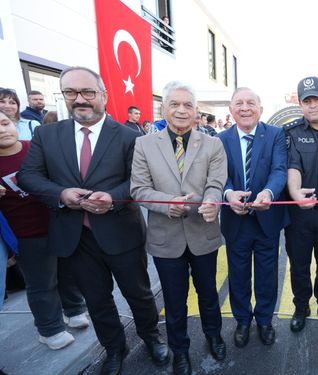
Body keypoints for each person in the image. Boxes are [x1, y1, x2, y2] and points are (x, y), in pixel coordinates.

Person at [17, 66, 168, 375]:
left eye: (88, 92)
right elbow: (27, 176)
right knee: (97, 300)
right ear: (64, 97)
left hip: (121, 232)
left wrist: (112, 197)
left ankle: (152, 338)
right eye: (71, 92)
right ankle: (114, 348)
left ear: (103, 96)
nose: (80, 99)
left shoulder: (130, 136)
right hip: (76, 236)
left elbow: (140, 179)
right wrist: (61, 193)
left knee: (138, 293)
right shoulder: (46, 134)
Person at [131, 81, 228, 374]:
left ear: (196, 111)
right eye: (175, 104)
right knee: (174, 302)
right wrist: (166, 202)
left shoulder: (213, 143)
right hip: (165, 237)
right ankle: (180, 350)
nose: (181, 110)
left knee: (208, 294)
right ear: (164, 109)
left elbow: (215, 183)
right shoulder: (144, 144)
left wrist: (212, 201)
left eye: (187, 105)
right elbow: (138, 188)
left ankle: (213, 335)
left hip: (203, 231)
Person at [0, 110, 89, 349]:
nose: (2, 130)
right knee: (41, 282)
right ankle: (49, 329)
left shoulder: (35, 147)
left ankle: (74, 310)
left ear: (14, 123)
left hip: (59, 223)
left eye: (5, 123)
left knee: (68, 272)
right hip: (26, 234)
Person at [217, 87, 288, 348]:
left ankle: (265, 320)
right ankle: (243, 320)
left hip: (266, 217)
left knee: (267, 273)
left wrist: (269, 193)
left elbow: (279, 169)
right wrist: (227, 193)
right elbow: (218, 174)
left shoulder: (276, 135)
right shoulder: (221, 138)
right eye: (239, 103)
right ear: (231, 109)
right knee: (238, 274)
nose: (245, 108)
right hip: (235, 219)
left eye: (250, 103)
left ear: (260, 108)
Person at [283, 77, 318, 333]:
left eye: (316, 99)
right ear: (300, 104)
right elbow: (292, 165)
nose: (312, 105)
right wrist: (295, 193)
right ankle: (301, 305)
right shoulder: (292, 133)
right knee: (299, 265)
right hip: (300, 215)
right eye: (307, 101)